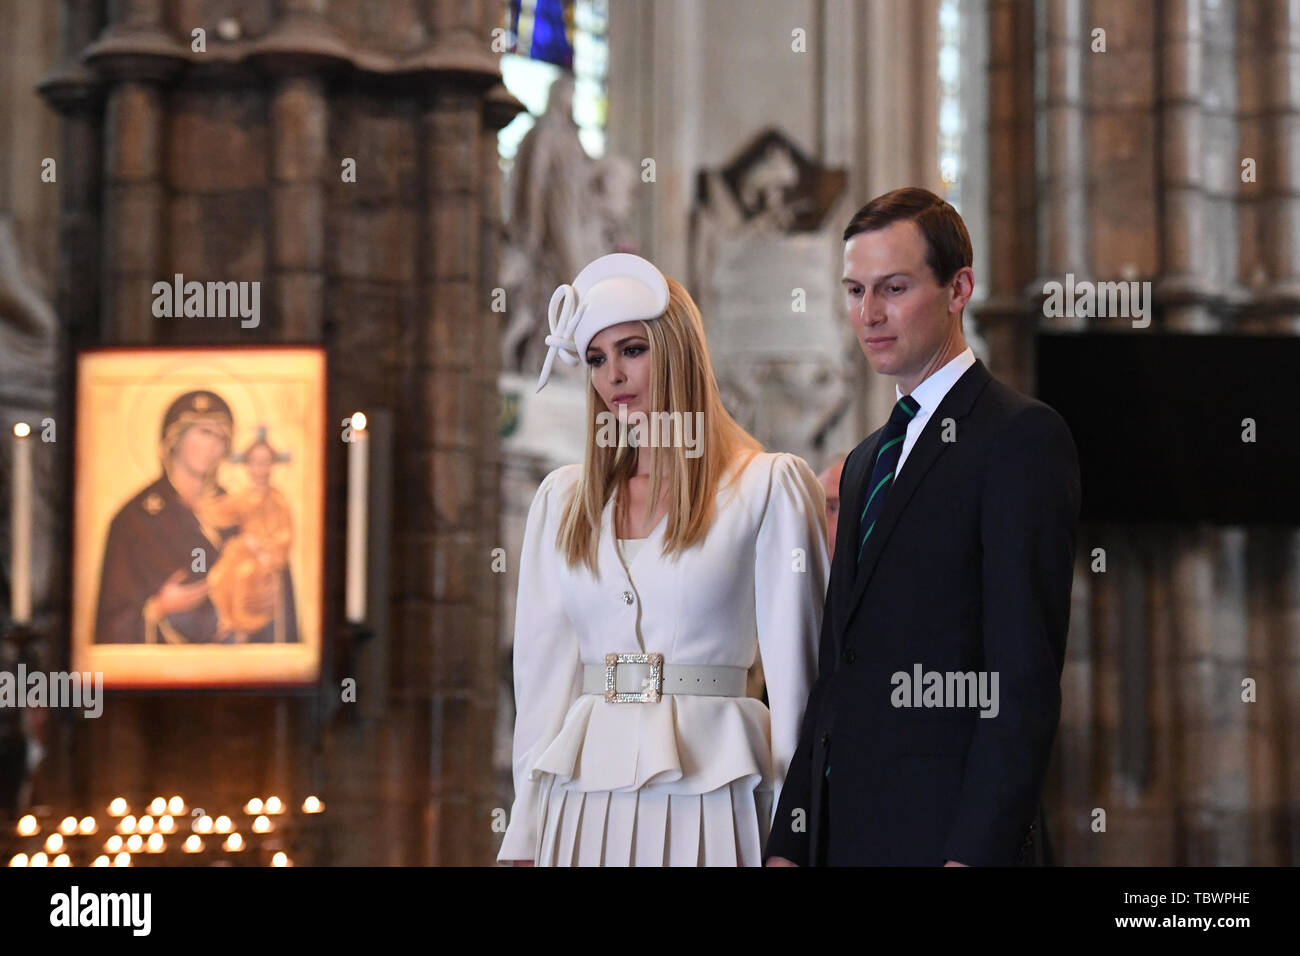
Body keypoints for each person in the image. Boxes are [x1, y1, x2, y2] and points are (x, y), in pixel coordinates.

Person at [765, 188, 1081, 867]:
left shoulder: (1020, 438)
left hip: (948, 841)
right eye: (854, 290)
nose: (868, 315)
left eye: (894, 288)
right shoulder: (862, 465)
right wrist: (790, 840)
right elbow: (835, 675)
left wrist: (971, 856)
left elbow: (1020, 683)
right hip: (842, 839)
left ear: (958, 287)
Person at [497, 253, 829, 866]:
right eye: (596, 358)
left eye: (632, 350)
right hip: (583, 808)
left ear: (675, 351)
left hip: (718, 800)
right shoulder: (564, 501)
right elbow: (540, 687)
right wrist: (524, 834)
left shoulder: (766, 487)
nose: (613, 376)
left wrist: (795, 837)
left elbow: (800, 690)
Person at [95, 390, 238, 644]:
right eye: (204, 433)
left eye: (221, 437)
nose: (212, 446)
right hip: (157, 670)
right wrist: (157, 608)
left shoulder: (237, 512)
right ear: (175, 437)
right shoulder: (135, 520)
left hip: (230, 666)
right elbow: (111, 620)